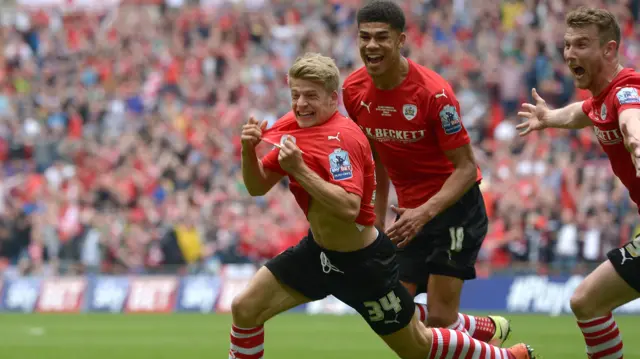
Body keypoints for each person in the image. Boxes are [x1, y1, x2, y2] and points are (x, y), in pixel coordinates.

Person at [230, 52, 535, 359]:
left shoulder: (343, 139)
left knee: (417, 347)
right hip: (317, 254)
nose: (300, 104)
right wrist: (248, 151)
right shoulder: (292, 126)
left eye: (311, 96)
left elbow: (349, 207)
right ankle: (477, 327)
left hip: (362, 265)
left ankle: (508, 357)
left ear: (333, 98)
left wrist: (299, 170)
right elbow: (257, 187)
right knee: (244, 309)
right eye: (295, 95)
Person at [342, 0, 510, 346]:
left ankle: (512, 354)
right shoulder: (353, 91)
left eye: (381, 37)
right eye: (364, 37)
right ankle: (481, 330)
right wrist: (374, 220)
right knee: (392, 311)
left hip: (455, 210)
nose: (371, 45)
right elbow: (376, 156)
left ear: (401, 40)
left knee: (438, 318)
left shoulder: (434, 94)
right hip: (409, 216)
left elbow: (466, 169)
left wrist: (424, 213)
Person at [517, 7, 640, 359]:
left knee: (586, 301)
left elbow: (632, 119)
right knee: (586, 303)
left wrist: (637, 143)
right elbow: (580, 113)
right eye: (568, 44)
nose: (570, 53)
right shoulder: (599, 101)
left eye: (582, 44)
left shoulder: (625, 91)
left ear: (610, 50)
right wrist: (548, 118)